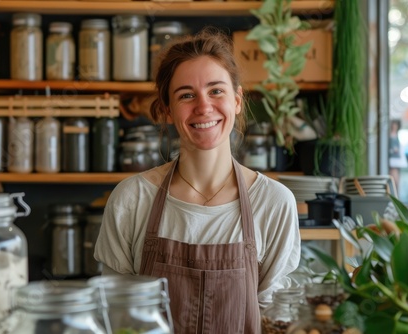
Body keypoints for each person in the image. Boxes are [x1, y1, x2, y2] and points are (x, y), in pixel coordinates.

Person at [94, 27, 300, 333]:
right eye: (186, 95)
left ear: (238, 100)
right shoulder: (132, 199)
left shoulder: (274, 202)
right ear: (166, 109)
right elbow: (116, 314)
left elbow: (275, 317)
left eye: (216, 90)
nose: (204, 107)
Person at [389, 119, 407, 192]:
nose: (394, 126)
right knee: (393, 181)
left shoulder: (397, 136)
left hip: (397, 162)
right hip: (393, 161)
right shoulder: (390, 137)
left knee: (396, 182)